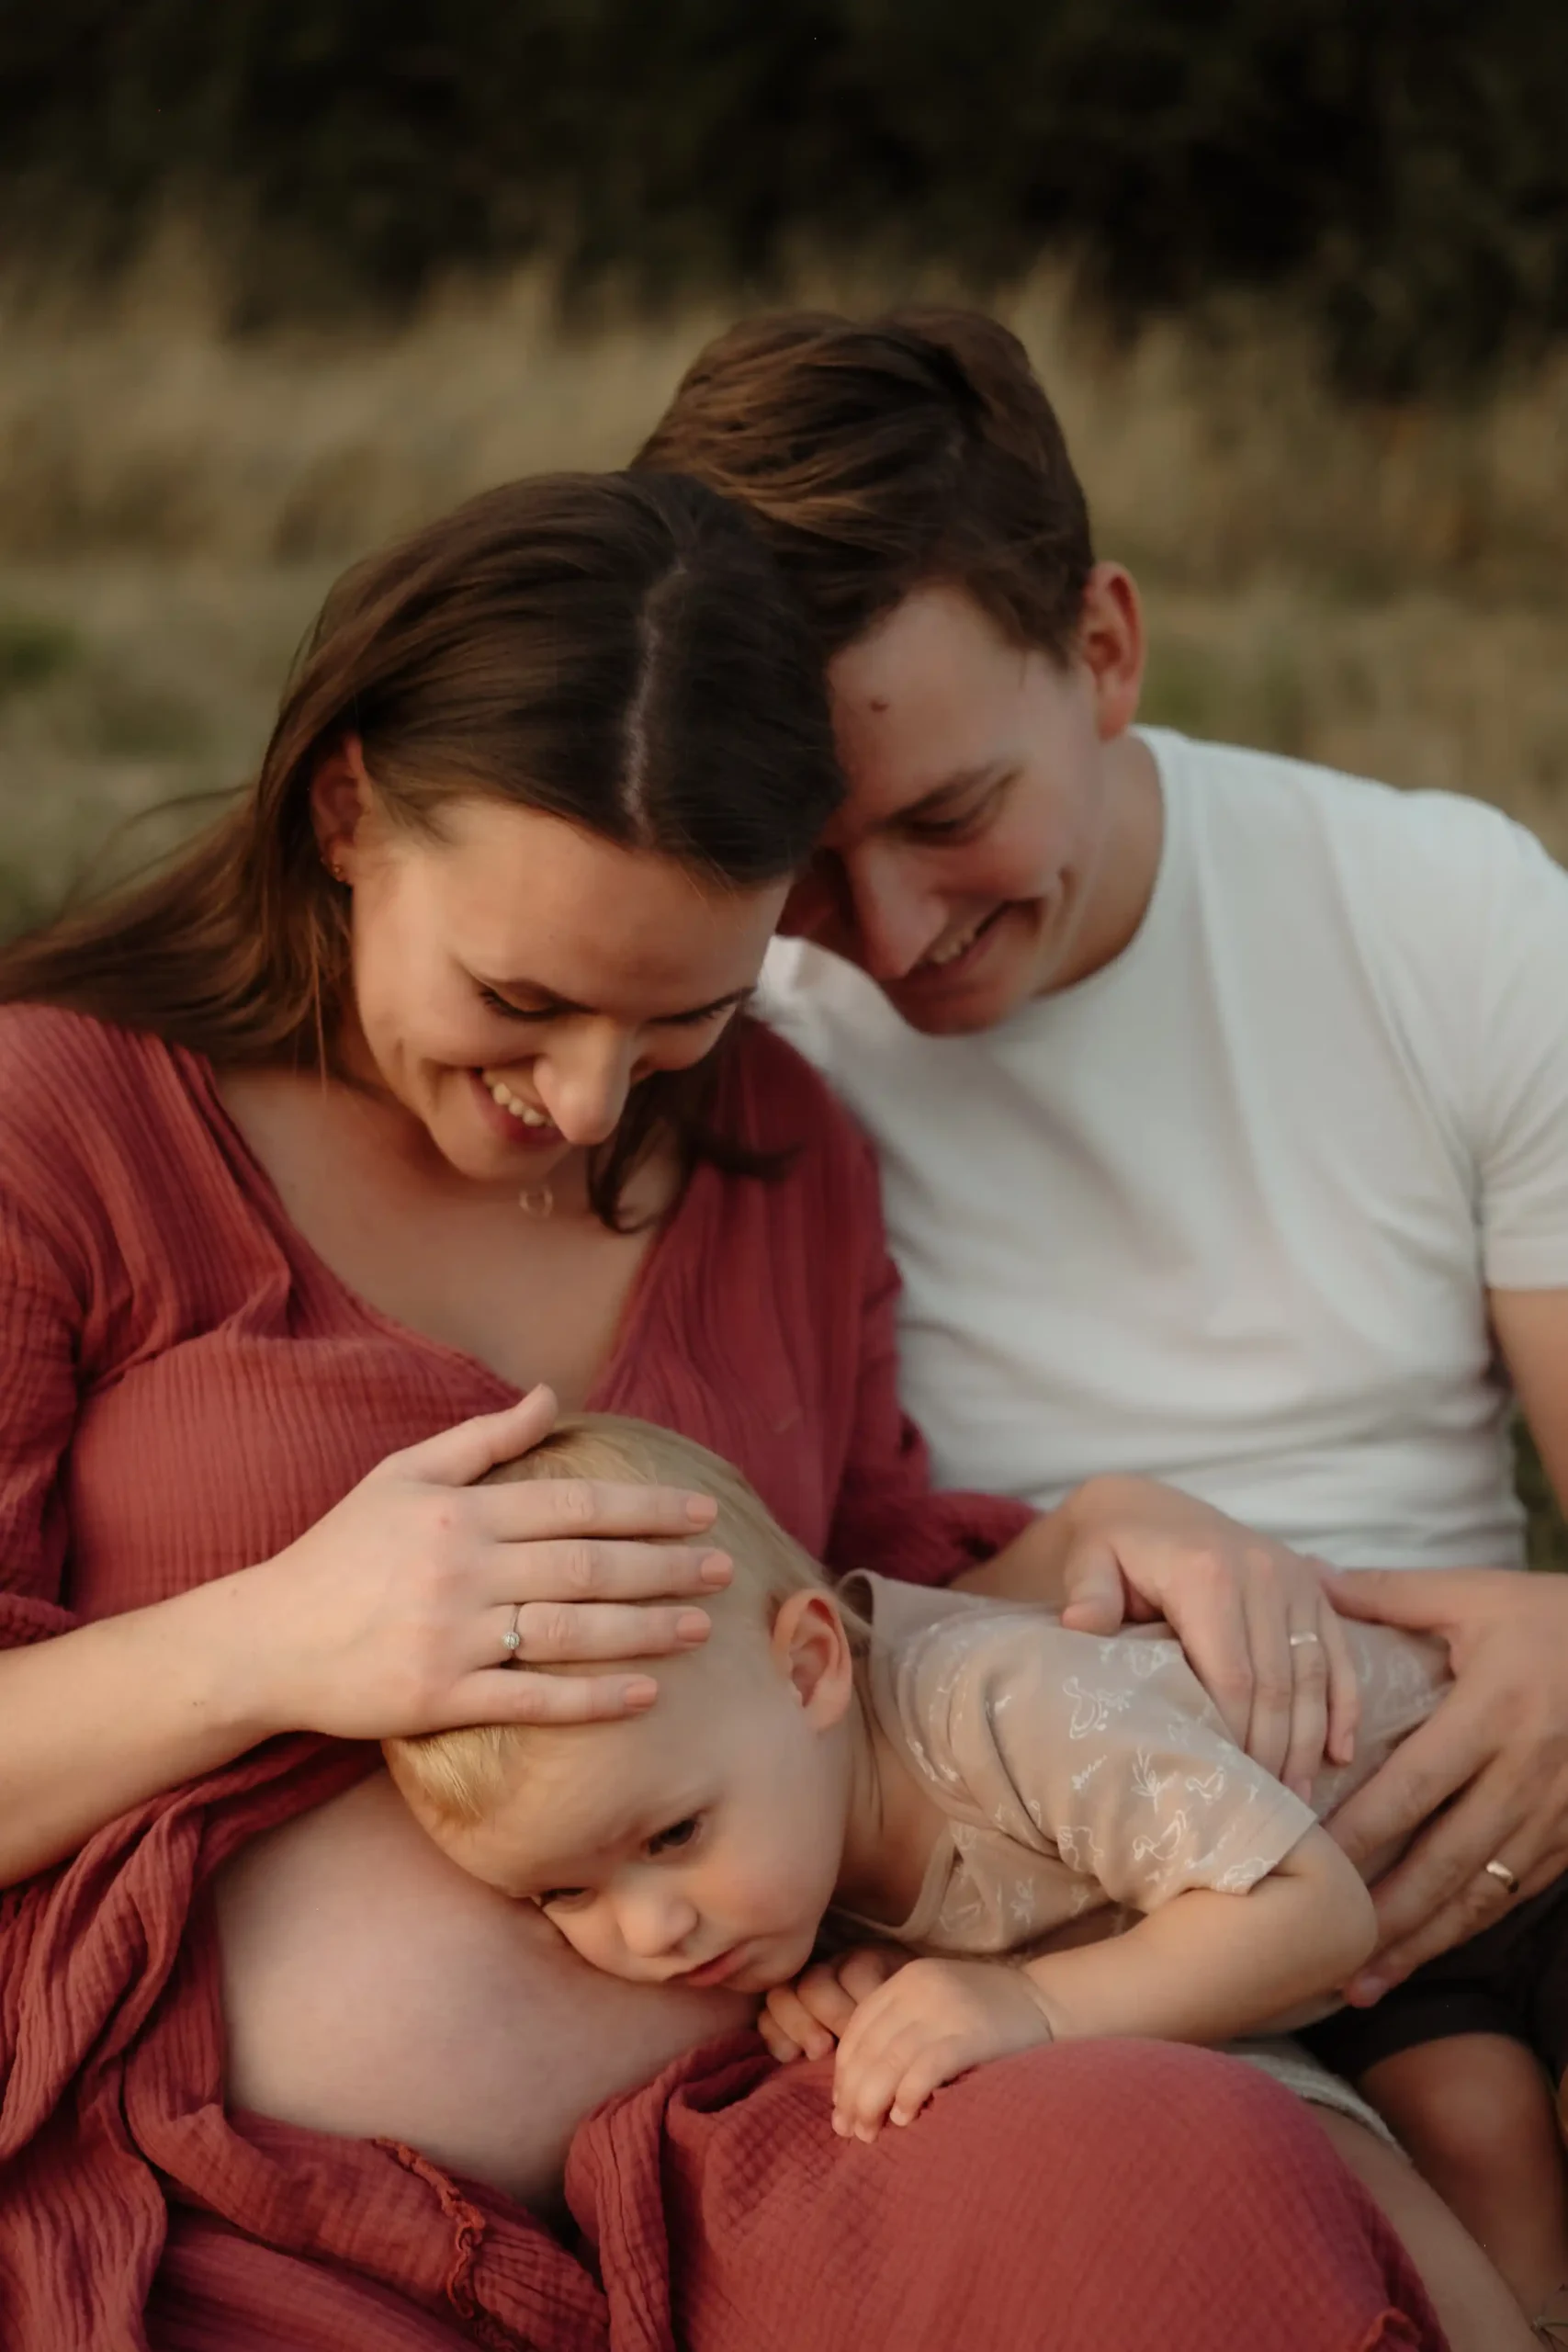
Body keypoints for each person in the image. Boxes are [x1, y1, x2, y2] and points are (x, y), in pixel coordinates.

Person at [0, 469, 1445, 2350]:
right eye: (519, 997)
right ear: (346, 814)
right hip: (215, 2183)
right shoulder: (64, 1125)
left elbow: (848, 1633)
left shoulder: (777, 1145)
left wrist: (1090, 1535)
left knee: (1176, 2173)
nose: (590, 1101)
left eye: (679, 1013)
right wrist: (268, 1640)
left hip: (764, 2127)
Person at [639, 305, 1568, 2326]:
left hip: (1464, 1779)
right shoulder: (716, 1041)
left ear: (1106, 648)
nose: (891, 937)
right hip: (1060, 1890)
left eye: (948, 812)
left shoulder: (1441, 916)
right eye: (810, 863)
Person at [389, 1411, 1542, 2350]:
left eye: (676, 1833)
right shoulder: (791, 1820)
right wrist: (869, 1975)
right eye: (563, 1895)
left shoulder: (999, 1706)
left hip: (1496, 1825)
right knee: (1477, 2140)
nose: (653, 1928)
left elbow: (1312, 1905)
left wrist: (1031, 2002)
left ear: (808, 1669)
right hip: (1394, 1966)